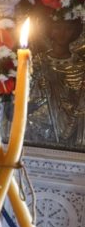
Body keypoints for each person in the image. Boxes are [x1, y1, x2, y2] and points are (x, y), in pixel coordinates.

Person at [27, 18, 85, 149]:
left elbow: (81, 100)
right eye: (57, 27)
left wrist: (72, 108)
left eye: (68, 28)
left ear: (74, 32)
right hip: (40, 126)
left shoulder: (81, 66)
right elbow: (26, 96)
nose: (62, 33)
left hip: (73, 128)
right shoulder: (38, 62)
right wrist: (39, 87)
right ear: (50, 30)